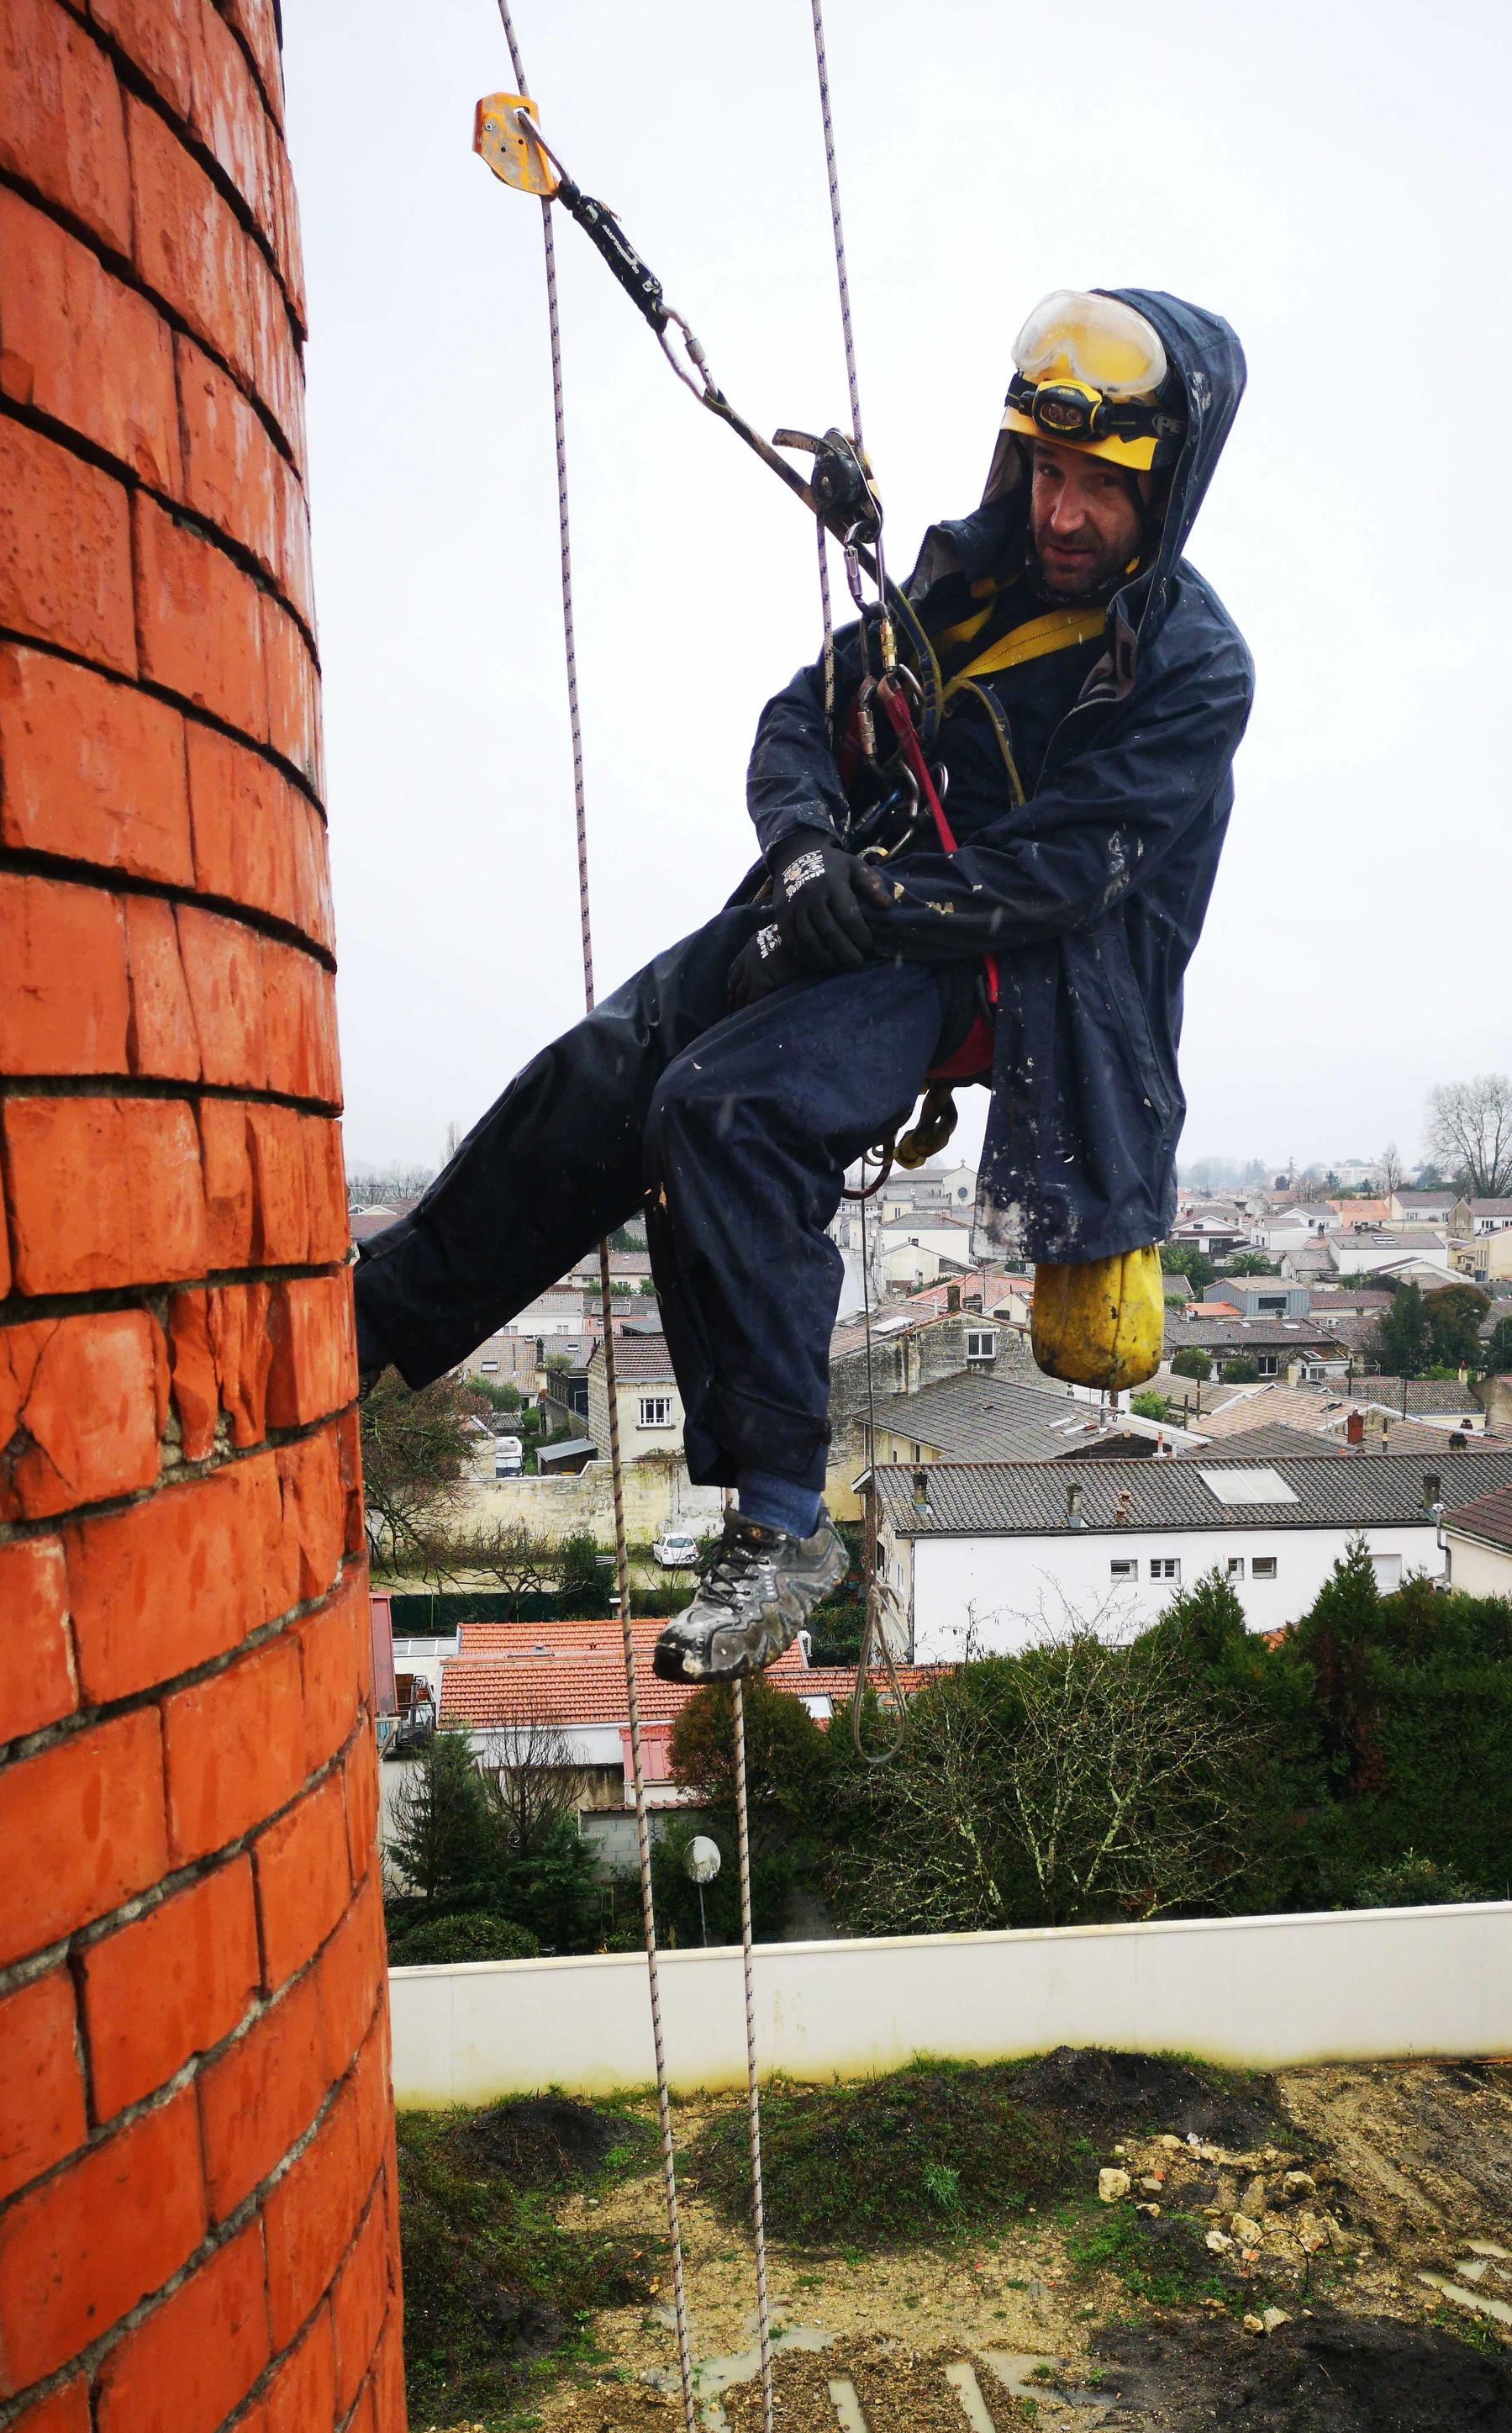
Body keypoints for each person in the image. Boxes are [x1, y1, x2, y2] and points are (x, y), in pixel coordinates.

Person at [353, 288, 1252, 1681]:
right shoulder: (963, 588)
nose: (1065, 515)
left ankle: (779, 1527)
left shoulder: (1191, 669)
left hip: (1012, 977)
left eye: (1102, 489)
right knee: (611, 1069)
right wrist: (808, 850)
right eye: (1048, 474)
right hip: (866, 895)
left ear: (1168, 489)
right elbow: (800, 721)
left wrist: (868, 896)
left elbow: (1068, 872)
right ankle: (368, 1324)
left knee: (728, 1109)